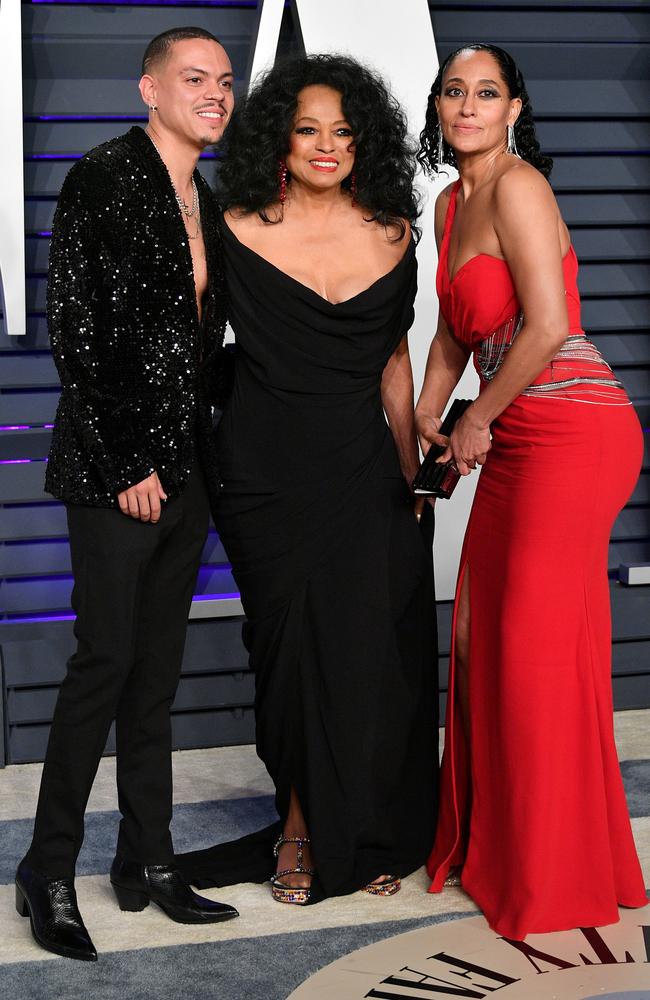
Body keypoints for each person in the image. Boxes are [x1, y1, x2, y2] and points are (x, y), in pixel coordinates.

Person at [176, 54, 438, 905]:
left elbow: (393, 360)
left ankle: (357, 827)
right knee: (289, 658)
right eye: (307, 130)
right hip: (260, 471)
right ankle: (299, 828)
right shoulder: (233, 224)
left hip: (364, 470)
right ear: (278, 142)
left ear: (364, 145)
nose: (327, 146)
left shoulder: (397, 227)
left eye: (343, 132)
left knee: (365, 655)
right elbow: (185, 343)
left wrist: (411, 464)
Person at [15, 27, 240, 962]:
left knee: (155, 678)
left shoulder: (207, 193)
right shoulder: (101, 177)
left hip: (187, 469)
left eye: (224, 82)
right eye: (195, 79)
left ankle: (148, 859)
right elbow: (79, 334)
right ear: (150, 87)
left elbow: (197, 344)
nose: (215, 94)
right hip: (120, 473)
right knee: (103, 665)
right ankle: (48, 868)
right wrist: (126, 466)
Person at [415, 43, 648, 940]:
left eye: (486, 93)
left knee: (533, 646)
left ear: (514, 108)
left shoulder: (518, 187)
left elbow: (549, 326)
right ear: (437, 107)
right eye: (453, 92)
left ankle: (553, 876)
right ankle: (506, 850)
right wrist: (422, 434)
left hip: (574, 431)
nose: (467, 105)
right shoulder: (449, 200)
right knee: (486, 634)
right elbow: (449, 339)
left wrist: (474, 424)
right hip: (511, 432)